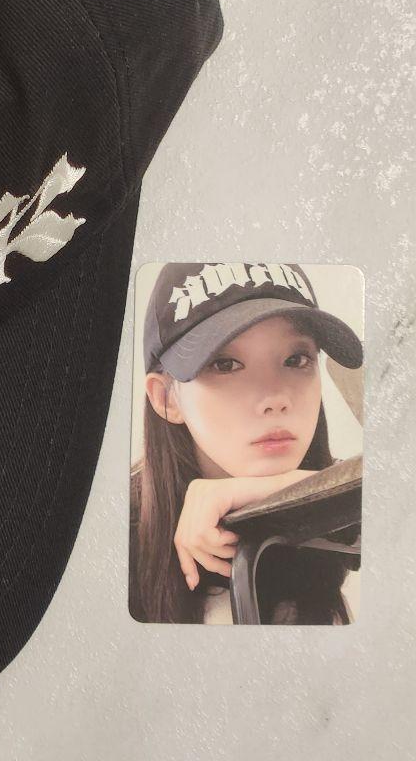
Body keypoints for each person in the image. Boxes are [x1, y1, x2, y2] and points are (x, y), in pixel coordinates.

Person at [128, 262, 364, 624]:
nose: (275, 398)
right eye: (225, 364)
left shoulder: (357, 517)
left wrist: (283, 494)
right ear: (166, 398)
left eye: (296, 359)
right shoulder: (109, 540)